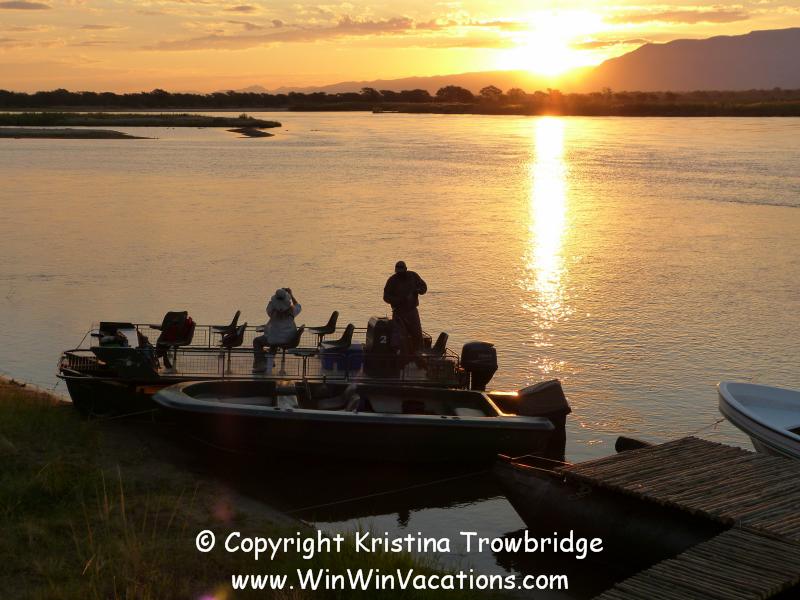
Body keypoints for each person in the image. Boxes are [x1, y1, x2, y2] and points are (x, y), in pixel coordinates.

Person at [252, 287, 301, 373]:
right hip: (289, 339)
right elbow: (298, 306)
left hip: (274, 338)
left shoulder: (272, 311)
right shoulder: (292, 310)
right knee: (274, 340)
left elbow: (269, 306)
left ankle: (261, 363)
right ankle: (270, 362)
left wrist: (276, 298)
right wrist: (291, 295)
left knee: (257, 341)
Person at [383, 260, 427, 352]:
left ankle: (420, 357)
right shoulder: (392, 280)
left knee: (417, 336)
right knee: (400, 338)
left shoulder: (414, 276)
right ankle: (403, 358)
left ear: (406, 269)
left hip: (412, 312)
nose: (399, 274)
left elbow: (424, 288)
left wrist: (417, 290)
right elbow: (386, 297)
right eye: (398, 272)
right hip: (398, 313)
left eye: (401, 272)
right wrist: (399, 300)